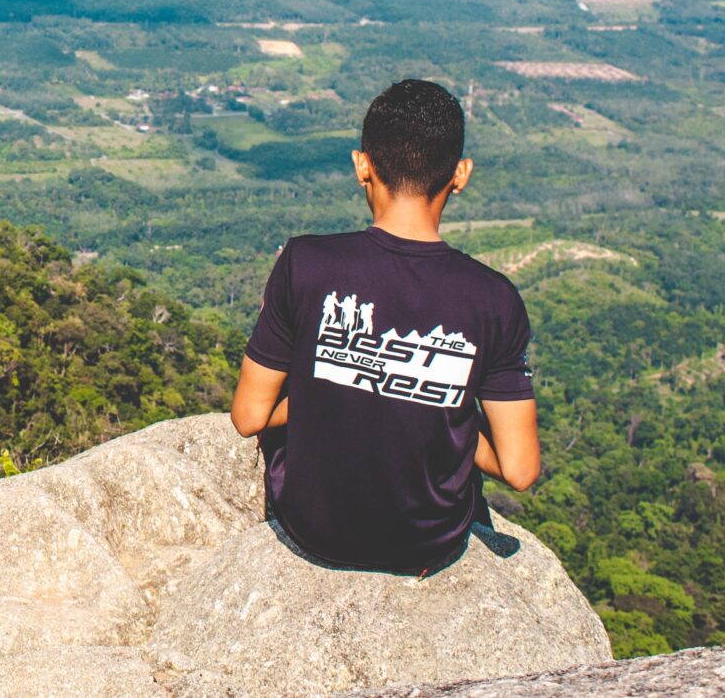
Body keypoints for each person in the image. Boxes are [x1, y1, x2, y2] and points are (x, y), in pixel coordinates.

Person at [228, 78, 539, 574]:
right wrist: (443, 408)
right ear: (460, 175)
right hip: (426, 546)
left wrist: (327, 386)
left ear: (362, 165)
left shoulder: (304, 262)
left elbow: (249, 416)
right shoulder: (493, 299)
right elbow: (518, 470)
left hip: (312, 528)